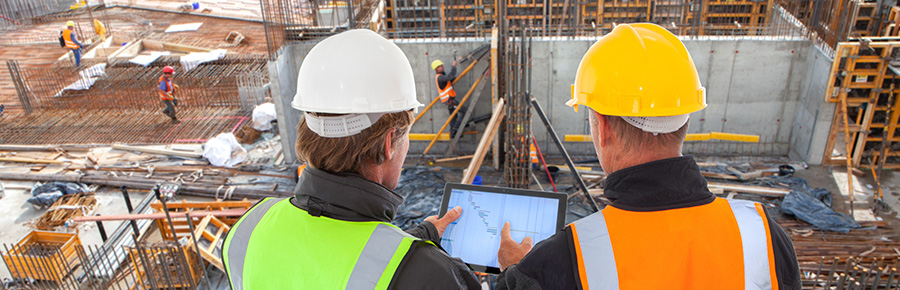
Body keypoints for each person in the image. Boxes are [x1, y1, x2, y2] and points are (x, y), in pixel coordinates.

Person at [494, 23, 802, 290]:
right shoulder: (765, 237)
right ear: (686, 120)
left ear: (602, 128)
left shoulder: (560, 260)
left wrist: (514, 272)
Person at [222, 29, 481, 289]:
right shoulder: (434, 276)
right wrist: (518, 276)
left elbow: (327, 265)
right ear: (390, 142)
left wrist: (418, 242)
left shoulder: (247, 229)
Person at [432, 58, 467, 134]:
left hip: (449, 100)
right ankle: (455, 129)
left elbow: (449, 80)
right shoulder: (440, 77)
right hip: (450, 100)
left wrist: (457, 77)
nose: (443, 66)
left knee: (453, 116)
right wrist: (454, 66)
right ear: (437, 68)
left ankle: (452, 133)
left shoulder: (441, 77)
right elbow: (449, 77)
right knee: (464, 110)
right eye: (441, 66)